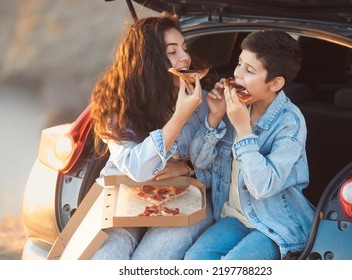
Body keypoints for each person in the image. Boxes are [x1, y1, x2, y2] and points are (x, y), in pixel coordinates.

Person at [89, 14, 213, 260]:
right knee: (105, 259)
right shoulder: (116, 103)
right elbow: (137, 169)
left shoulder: (203, 102)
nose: (185, 57)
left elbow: (223, 166)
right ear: (148, 61)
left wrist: (187, 168)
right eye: (172, 52)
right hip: (127, 194)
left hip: (187, 195)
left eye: (184, 49)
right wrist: (179, 117)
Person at [184, 30, 315, 260]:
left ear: (275, 83)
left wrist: (243, 130)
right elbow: (200, 162)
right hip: (233, 217)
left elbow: (262, 188)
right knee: (194, 260)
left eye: (249, 70)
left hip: (275, 225)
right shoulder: (235, 105)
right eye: (239, 63)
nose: (237, 75)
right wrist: (214, 117)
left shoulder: (290, 122)